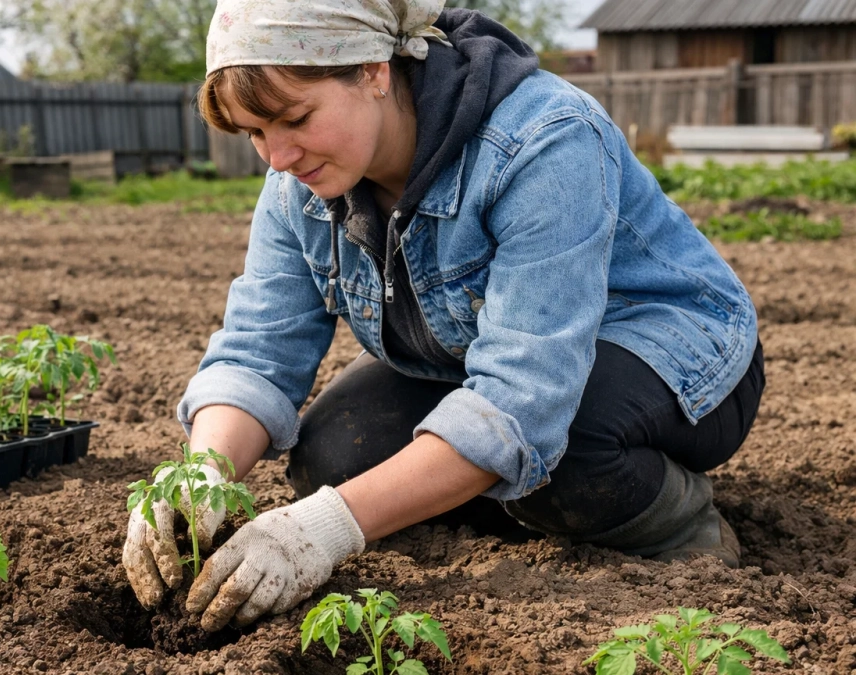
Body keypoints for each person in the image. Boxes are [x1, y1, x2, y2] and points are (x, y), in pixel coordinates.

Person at [123, 0, 764, 633]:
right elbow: (259, 348)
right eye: (256, 133)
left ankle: (679, 526)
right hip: (478, 357)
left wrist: (325, 530)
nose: (277, 158)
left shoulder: (544, 138)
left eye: (295, 118)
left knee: (556, 454)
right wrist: (198, 479)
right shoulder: (300, 186)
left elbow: (524, 401)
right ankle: (509, 494)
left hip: (676, 354)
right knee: (330, 458)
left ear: (374, 70)